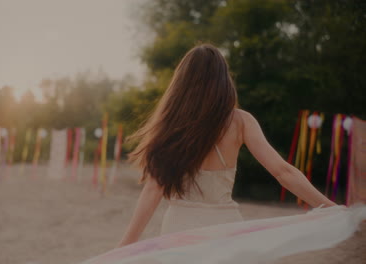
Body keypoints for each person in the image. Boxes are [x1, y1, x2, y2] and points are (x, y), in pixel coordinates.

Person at [116, 43, 337, 248]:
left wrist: (126, 245)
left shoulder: (170, 124)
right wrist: (330, 207)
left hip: (179, 229)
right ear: (223, 79)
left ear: (181, 83)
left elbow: (153, 190)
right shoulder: (241, 121)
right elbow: (283, 171)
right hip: (225, 228)